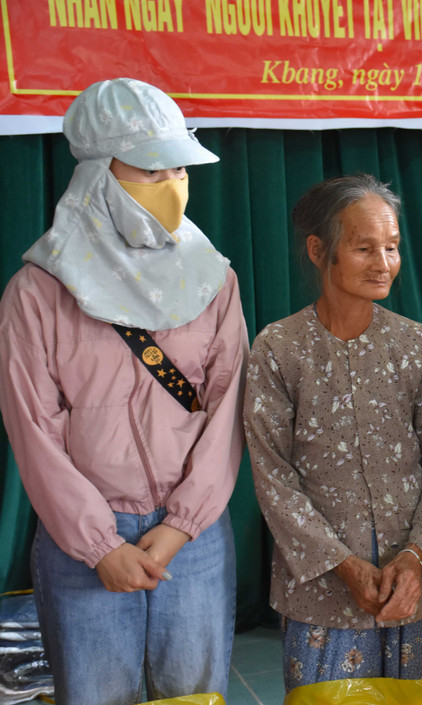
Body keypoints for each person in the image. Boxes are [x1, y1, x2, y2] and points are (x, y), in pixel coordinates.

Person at [0, 78, 248, 705]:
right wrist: (98, 544)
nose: (172, 184)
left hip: (191, 540)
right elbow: (34, 431)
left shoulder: (213, 279)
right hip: (82, 545)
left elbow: (227, 413)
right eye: (150, 168)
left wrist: (183, 525)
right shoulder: (38, 293)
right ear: (96, 174)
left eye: (179, 167)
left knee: (192, 696)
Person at [243, 174, 422, 694]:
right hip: (322, 593)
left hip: (416, 589)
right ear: (320, 250)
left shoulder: (417, 345)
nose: (383, 262)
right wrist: (342, 565)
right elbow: (272, 475)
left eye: (392, 247)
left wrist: (415, 558)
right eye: (364, 247)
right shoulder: (279, 348)